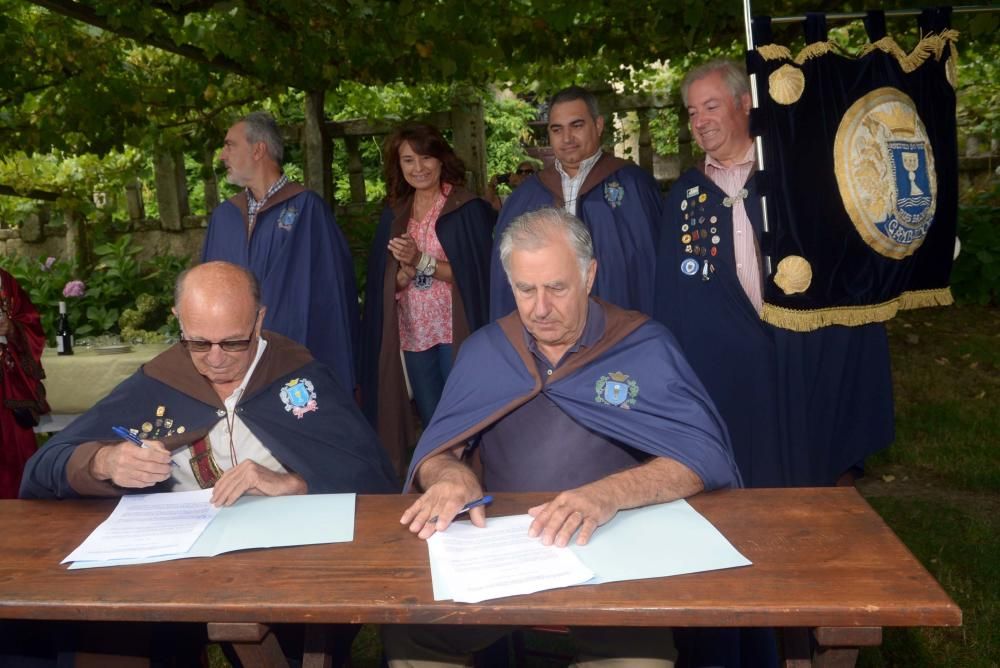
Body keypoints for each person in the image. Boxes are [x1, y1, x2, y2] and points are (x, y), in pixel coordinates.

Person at [383, 208, 740, 667]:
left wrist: (607, 495)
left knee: (639, 662)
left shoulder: (642, 344)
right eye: (525, 290)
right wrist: (449, 476)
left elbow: (701, 457)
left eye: (556, 287)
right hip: (507, 549)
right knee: (411, 638)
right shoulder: (487, 350)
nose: (540, 308)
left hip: (614, 548)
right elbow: (438, 449)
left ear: (590, 276)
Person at [653, 59, 893, 667]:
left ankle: (806, 631)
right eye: (691, 110)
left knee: (804, 514)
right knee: (735, 516)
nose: (699, 120)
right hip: (725, 385)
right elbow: (675, 297)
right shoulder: (686, 196)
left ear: (743, 106)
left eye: (710, 106)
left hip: (793, 375)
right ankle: (737, 631)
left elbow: (843, 273)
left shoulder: (793, 183)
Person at [20, 261, 397, 502]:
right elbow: (44, 467)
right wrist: (104, 461)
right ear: (178, 320)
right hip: (179, 550)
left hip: (290, 546)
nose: (216, 359)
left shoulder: (297, 375)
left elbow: (371, 474)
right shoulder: (160, 379)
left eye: (234, 342)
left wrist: (294, 483)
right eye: (198, 343)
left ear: (259, 320)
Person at [359, 123, 495, 475]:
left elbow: (474, 274)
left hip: (455, 329)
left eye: (425, 158)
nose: (418, 168)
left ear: (440, 159)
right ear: (398, 166)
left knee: (462, 411)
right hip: (414, 330)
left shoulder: (466, 208)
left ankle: (476, 476)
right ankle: (444, 481)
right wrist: (402, 273)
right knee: (433, 413)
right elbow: (389, 280)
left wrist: (421, 260)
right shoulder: (395, 212)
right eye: (408, 160)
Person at [201, 111, 360, 392]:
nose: (222, 156)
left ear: (258, 149)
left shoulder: (307, 210)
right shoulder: (224, 217)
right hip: (231, 364)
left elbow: (330, 296)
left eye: (230, 145)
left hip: (292, 363)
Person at [489, 86, 663, 320]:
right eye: (557, 129)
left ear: (598, 125)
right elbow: (505, 279)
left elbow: (652, 266)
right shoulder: (526, 197)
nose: (567, 138)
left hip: (618, 327)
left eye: (577, 125)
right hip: (546, 328)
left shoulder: (634, 186)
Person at [0, 268, 49, 499]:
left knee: (13, 458)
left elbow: (31, 323)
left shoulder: (4, 280)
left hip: (5, 391)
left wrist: (12, 329)